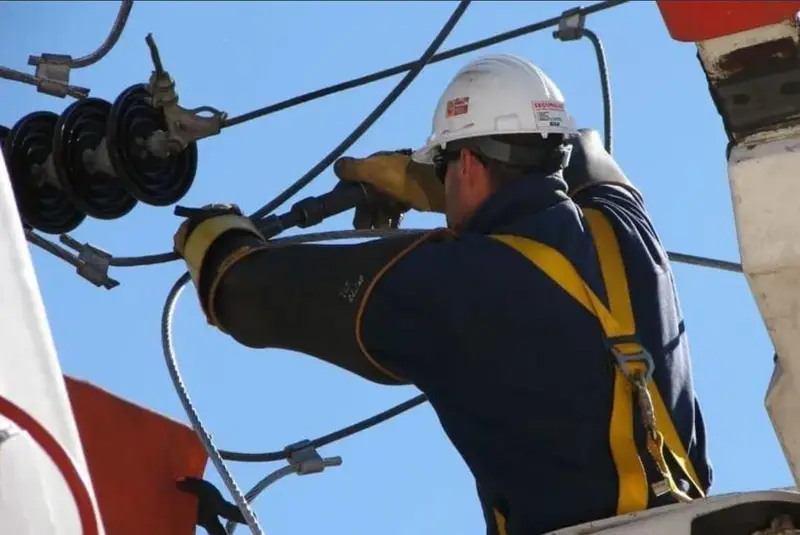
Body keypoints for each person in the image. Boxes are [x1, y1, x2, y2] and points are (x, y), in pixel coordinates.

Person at [172, 53, 712, 534]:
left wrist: (213, 235)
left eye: (447, 167)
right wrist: (432, 179)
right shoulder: (626, 228)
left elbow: (247, 292)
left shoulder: (451, 284)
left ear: (472, 165)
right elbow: (586, 151)